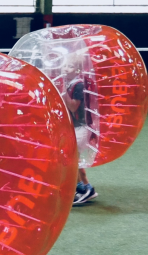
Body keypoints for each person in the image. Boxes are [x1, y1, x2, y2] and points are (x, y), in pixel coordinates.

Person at [60, 58, 98, 205]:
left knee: (71, 160)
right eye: (64, 66)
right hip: (75, 127)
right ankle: (86, 188)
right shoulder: (70, 84)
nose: (66, 69)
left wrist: (63, 92)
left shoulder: (78, 85)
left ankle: (82, 189)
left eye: (70, 66)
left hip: (82, 127)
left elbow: (73, 107)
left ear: (77, 70)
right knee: (74, 160)